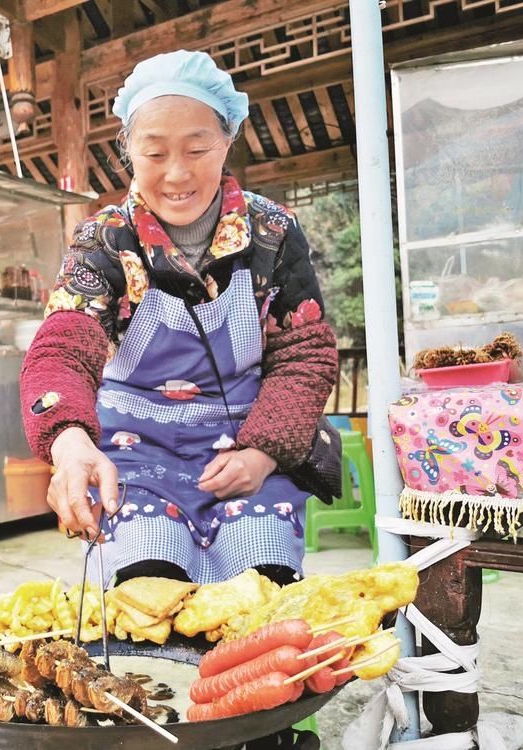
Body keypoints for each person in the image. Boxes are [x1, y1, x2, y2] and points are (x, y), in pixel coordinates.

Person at [20, 50, 337, 591]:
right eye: (154, 153)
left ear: (228, 140)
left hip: (244, 450)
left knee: (262, 593)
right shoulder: (107, 240)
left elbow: (303, 355)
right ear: (129, 152)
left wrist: (263, 453)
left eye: (197, 149)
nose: (177, 173)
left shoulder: (272, 233)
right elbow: (63, 349)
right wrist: (69, 443)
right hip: (134, 460)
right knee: (147, 593)